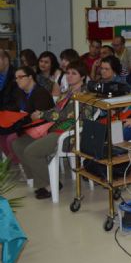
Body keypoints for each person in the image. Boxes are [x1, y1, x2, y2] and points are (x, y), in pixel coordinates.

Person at [12, 61, 94, 199]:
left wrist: (42, 114)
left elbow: (65, 115)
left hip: (70, 134)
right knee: (18, 144)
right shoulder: (67, 92)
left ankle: (51, 184)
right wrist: (43, 114)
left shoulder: (85, 94)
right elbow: (56, 111)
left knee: (31, 152)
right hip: (54, 129)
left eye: (74, 73)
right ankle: (39, 181)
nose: (69, 76)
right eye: (68, 73)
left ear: (83, 77)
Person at [0, 66, 54, 165]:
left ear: (30, 77)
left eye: (20, 77)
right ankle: (20, 165)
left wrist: (22, 116)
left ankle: (23, 165)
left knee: (11, 139)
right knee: (4, 133)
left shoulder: (41, 93)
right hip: (25, 125)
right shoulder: (19, 93)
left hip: (41, 129)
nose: (17, 80)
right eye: (16, 78)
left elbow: (40, 117)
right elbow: (16, 109)